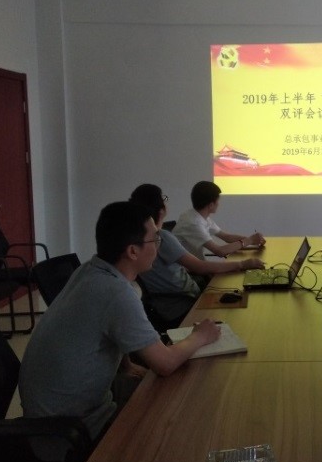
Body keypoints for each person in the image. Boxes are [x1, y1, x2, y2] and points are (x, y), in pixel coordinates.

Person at [19, 201, 222, 441]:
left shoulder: (89, 270)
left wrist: (126, 365)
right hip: (68, 430)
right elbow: (165, 363)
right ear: (133, 251)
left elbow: (103, 328)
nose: (158, 246)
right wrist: (201, 336)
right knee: (188, 414)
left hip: (50, 411)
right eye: (155, 239)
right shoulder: (115, 292)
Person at [129, 184, 264, 327]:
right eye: (164, 198)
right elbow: (201, 265)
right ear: (161, 210)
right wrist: (243, 263)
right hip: (183, 303)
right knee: (240, 312)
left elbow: (225, 237)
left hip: (179, 296)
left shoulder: (138, 236)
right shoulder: (162, 237)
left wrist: (251, 240)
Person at [173, 181, 266, 260]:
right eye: (218, 201)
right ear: (211, 205)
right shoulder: (193, 223)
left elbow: (226, 237)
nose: (218, 203)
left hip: (195, 267)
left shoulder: (197, 215)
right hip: (186, 272)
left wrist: (252, 240)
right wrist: (249, 240)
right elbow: (219, 251)